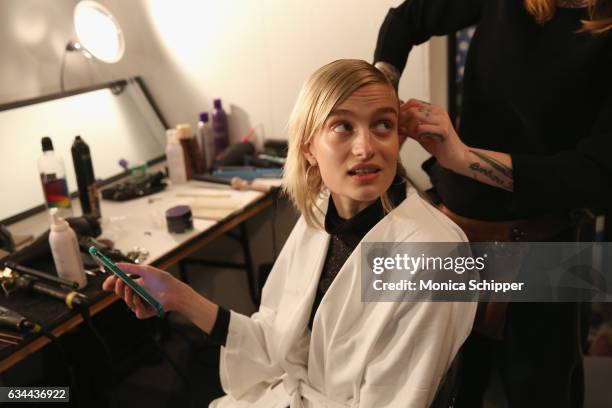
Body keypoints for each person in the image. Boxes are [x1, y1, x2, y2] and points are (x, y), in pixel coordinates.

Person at [103, 59, 477, 407]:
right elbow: (276, 342)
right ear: (308, 148)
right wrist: (179, 297)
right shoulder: (321, 212)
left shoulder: (434, 257)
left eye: (383, 125)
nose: (366, 148)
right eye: (343, 126)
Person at [373, 1, 612, 407]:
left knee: (540, 390)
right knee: (440, 386)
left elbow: (596, 175)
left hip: (550, 248)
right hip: (458, 234)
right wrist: (378, 92)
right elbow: (408, 18)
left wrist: (464, 158)